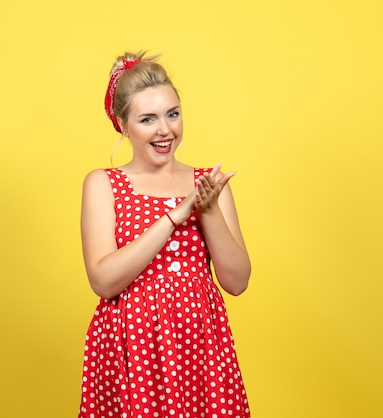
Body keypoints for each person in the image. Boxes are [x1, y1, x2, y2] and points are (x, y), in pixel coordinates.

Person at [78, 51, 252, 418]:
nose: (165, 130)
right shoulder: (104, 184)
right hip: (131, 348)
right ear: (123, 125)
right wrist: (175, 216)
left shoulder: (207, 184)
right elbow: (104, 280)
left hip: (200, 347)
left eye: (173, 114)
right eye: (147, 119)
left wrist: (207, 210)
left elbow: (236, 282)